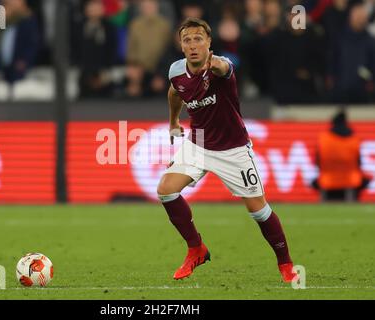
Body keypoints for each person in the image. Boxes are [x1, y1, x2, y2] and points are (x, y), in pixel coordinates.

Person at [156, 18, 298, 283]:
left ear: (209, 43)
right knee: (166, 189)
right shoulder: (176, 70)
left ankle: (286, 263)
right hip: (198, 143)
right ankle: (196, 249)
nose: (193, 45)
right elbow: (175, 93)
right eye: (187, 40)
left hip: (233, 149)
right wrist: (174, 121)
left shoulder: (222, 66)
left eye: (199, 38)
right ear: (181, 45)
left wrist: (216, 64)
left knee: (259, 210)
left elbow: (223, 68)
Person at [312, 110, 371, 201]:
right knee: (364, 179)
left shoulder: (323, 139)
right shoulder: (354, 139)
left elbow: (317, 162)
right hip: (351, 181)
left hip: (327, 180)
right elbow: (358, 163)